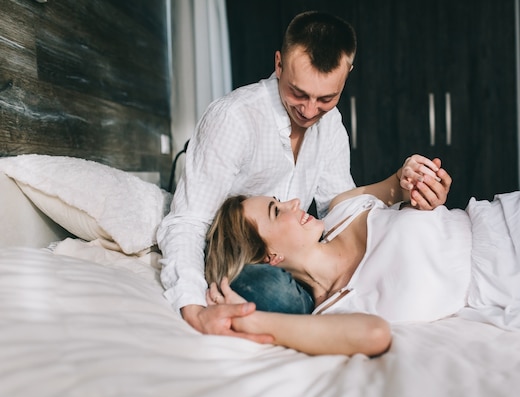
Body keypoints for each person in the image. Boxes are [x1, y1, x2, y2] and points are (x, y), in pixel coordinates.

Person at [156, 11, 452, 338]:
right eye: (298, 93)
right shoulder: (235, 119)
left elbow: (339, 212)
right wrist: (194, 310)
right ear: (279, 64)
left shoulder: (331, 125)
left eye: (326, 98)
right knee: (267, 291)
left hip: (294, 263)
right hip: (246, 260)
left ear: (347, 74)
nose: (310, 111)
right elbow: (188, 221)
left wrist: (405, 192)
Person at [204, 154, 520, 357]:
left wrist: (417, 178)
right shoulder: (333, 312)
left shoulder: (343, 208)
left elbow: (402, 182)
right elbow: (374, 336)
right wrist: (250, 319)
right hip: (515, 288)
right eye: (277, 210)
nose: (295, 202)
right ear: (269, 257)